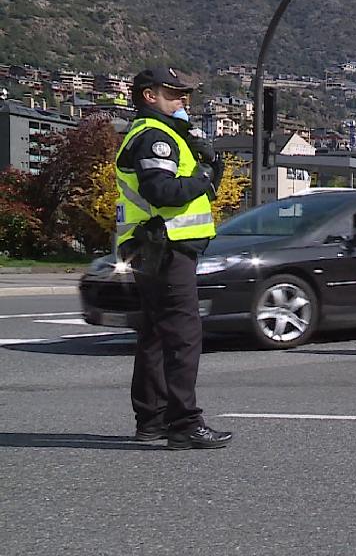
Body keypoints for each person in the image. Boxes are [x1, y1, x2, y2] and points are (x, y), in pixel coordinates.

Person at [114, 65, 232, 450]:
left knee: (154, 335)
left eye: (186, 95)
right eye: (175, 93)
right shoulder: (154, 137)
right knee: (183, 336)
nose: (184, 100)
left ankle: (152, 420)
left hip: (156, 248)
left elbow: (190, 192)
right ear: (150, 95)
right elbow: (161, 191)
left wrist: (209, 172)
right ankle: (184, 422)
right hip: (165, 248)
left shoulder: (164, 135)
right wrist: (204, 176)